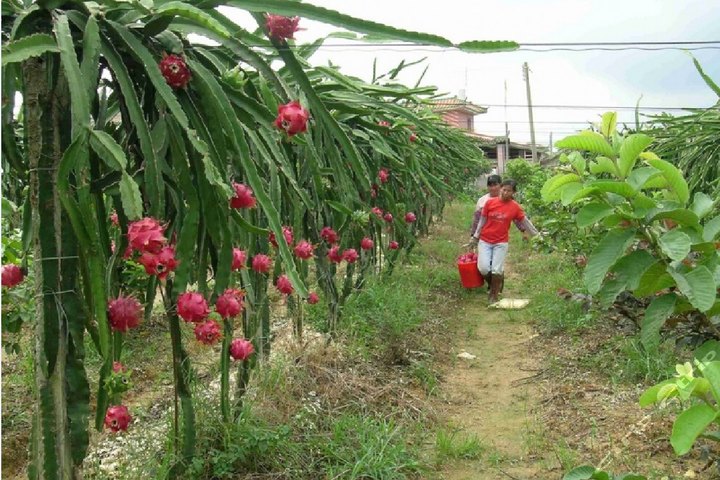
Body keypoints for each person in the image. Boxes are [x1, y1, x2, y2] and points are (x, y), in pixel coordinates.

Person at [470, 179, 538, 303]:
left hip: (501, 242)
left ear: (514, 193)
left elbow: (525, 222)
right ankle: (495, 284)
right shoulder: (490, 203)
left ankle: (493, 296)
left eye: (509, 191)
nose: (505, 192)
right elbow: (482, 221)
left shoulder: (515, 207)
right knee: (483, 268)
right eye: (504, 189)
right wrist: (475, 237)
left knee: (496, 269)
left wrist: (537, 236)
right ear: (501, 188)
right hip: (485, 240)